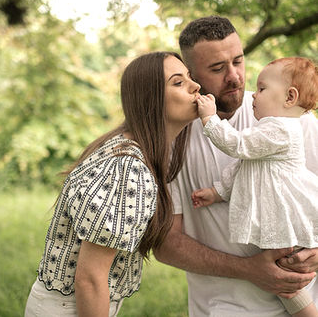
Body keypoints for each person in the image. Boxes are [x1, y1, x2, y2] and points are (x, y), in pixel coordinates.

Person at [153, 16, 318, 317]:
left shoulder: (293, 116)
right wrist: (249, 270)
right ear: (192, 75)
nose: (235, 77)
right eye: (217, 68)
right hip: (222, 309)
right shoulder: (172, 139)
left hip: (307, 299)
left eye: (238, 61)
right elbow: (165, 243)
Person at [24, 51, 201, 317]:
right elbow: (91, 279)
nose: (196, 86)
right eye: (178, 82)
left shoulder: (130, 149)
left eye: (189, 77)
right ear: (151, 100)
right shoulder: (129, 167)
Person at [191, 57, 318, 317]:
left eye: (261, 89)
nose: (253, 96)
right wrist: (217, 193)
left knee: (286, 274)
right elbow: (242, 166)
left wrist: (209, 119)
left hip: (288, 214)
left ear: (290, 97)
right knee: (283, 274)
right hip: (278, 214)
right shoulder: (266, 129)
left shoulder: (281, 129)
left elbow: (237, 146)